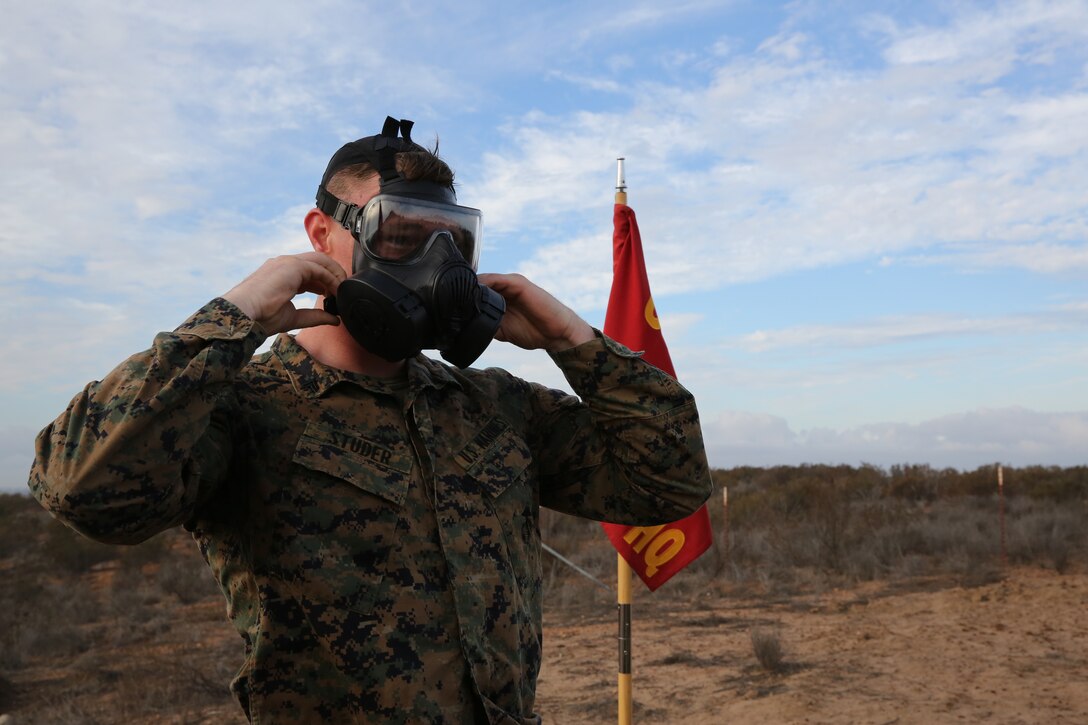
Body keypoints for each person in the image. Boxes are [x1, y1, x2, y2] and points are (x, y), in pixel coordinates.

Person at [29, 117, 712, 724]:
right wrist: (233, 316)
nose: (431, 266)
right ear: (321, 233)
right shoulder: (243, 406)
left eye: (453, 245)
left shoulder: (494, 406)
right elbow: (82, 487)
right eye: (401, 236)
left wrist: (574, 341)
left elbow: (670, 481)